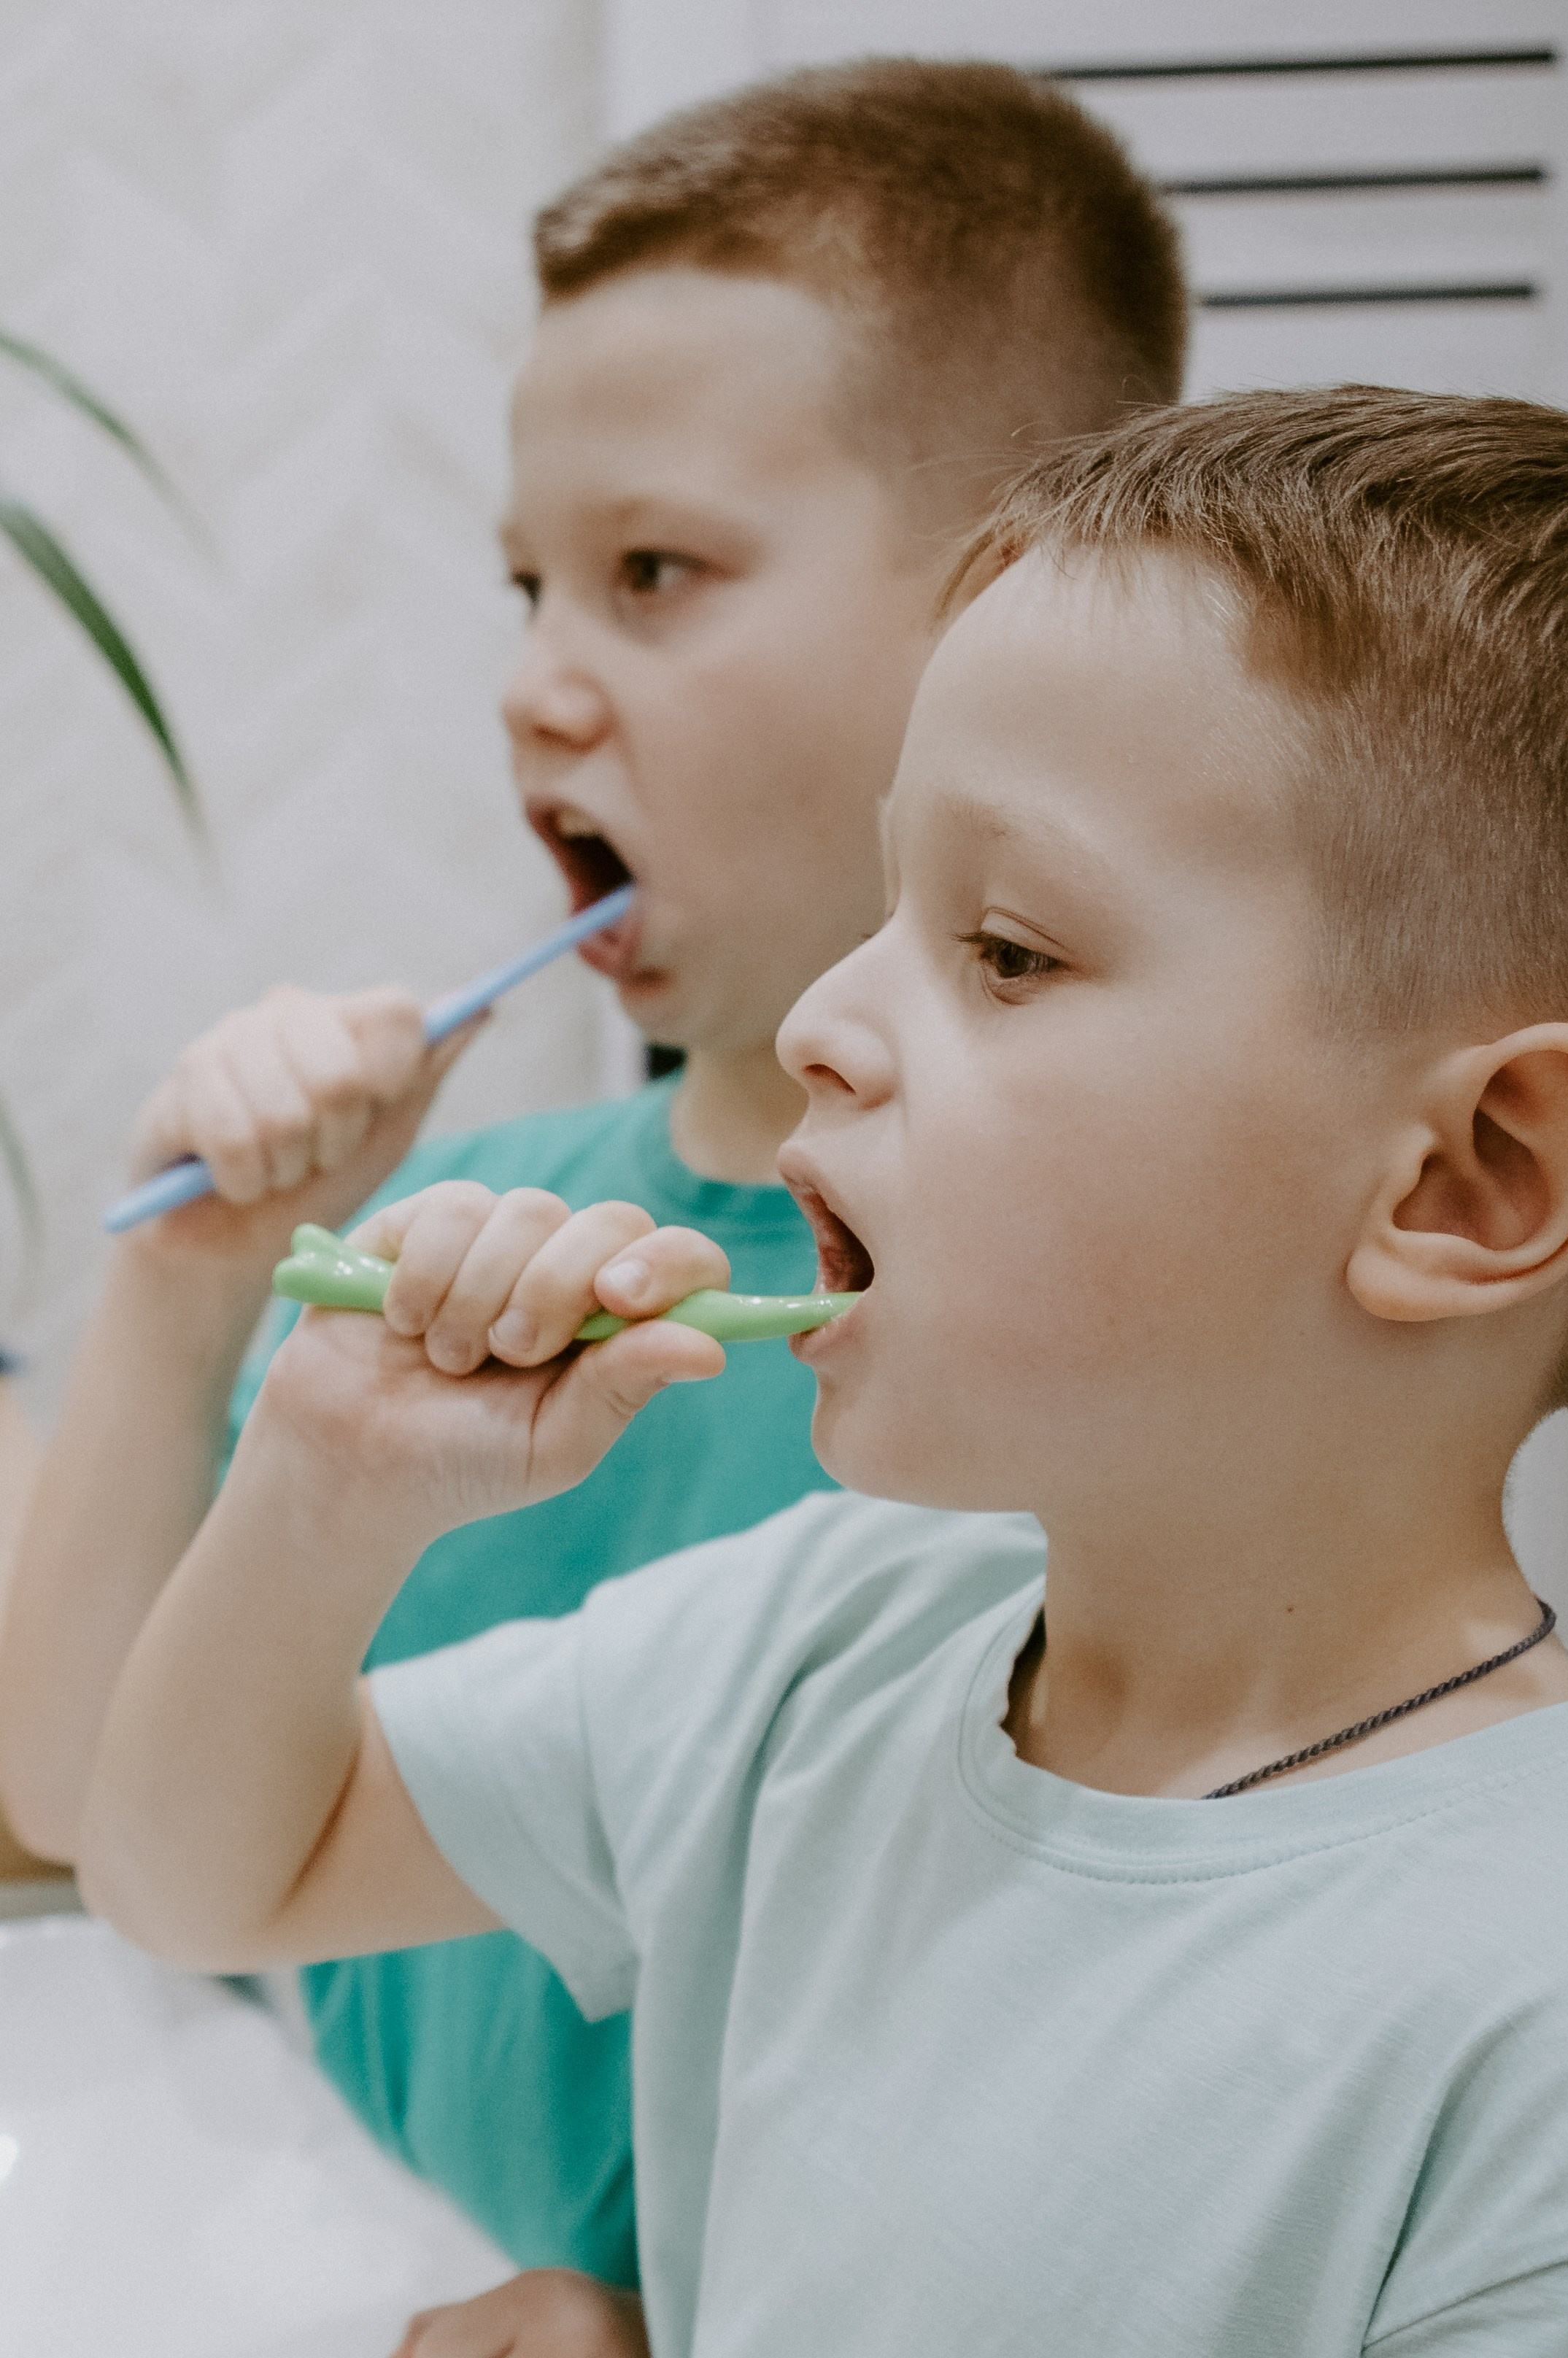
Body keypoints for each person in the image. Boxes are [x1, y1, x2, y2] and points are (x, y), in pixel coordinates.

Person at [74, 385, 1568, 2357]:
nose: (820, 1022)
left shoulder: (1524, 2019)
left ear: (1465, 1182)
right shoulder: (814, 1650)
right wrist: (320, 1491)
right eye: (883, 910)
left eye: (1007, 949)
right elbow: (194, 1882)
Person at [0, 53, 1187, 2324]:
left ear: (1011, 610)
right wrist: (191, 1284)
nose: (535, 685)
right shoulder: (458, 1250)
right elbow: (79, 1802)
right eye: (528, 585)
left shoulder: (1068, 1345)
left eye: (653, 574)